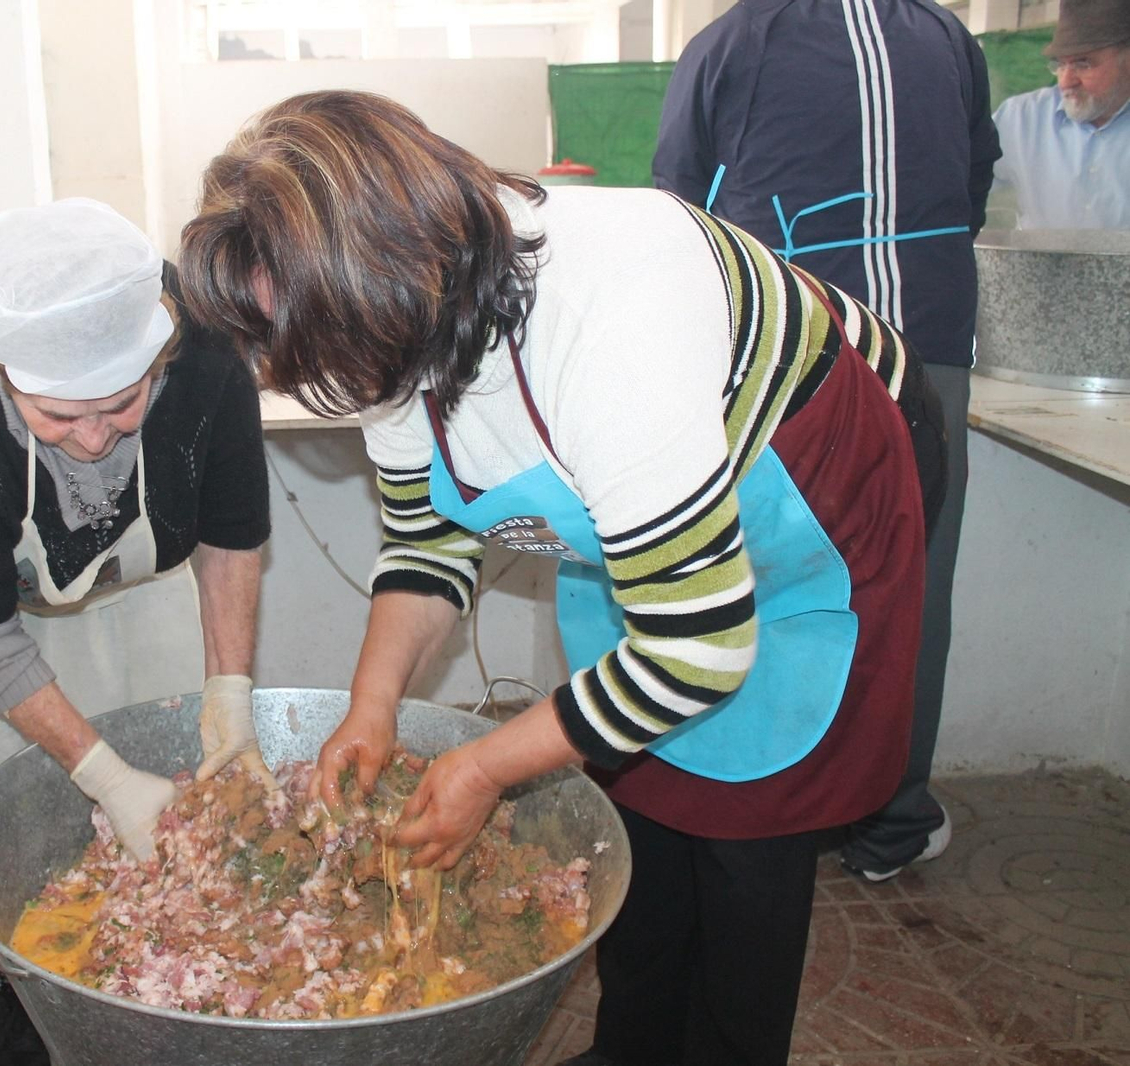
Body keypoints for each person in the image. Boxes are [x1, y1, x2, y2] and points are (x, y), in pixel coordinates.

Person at [179, 90, 945, 1066]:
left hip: (815, 490)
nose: (318, 383)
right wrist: (371, 708)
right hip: (659, 535)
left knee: (748, 833)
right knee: (640, 801)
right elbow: (427, 543)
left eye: (322, 356)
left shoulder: (613, 317)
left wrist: (481, 764)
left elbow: (698, 649)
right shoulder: (376, 315)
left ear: (403, 277)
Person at [0, 198, 272, 1065]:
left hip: (130, 578)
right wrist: (104, 777)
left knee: (165, 752)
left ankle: (175, 996)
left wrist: (230, 699)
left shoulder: (206, 359)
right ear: (5, 376)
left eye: (124, 405)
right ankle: (32, 1009)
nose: (93, 440)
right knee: (19, 808)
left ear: (160, 357)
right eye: (58, 418)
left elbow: (231, 539)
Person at [651, 0, 999, 886]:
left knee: (774, 580)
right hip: (927, 346)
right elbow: (973, 187)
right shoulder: (948, 37)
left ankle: (776, 819)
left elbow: (674, 216)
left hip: (796, 364)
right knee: (911, 585)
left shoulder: (733, 42)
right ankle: (890, 821)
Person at [991, 0, 1130, 229]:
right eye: (1060, 65)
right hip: (1034, 266)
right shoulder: (1020, 119)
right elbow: (954, 180)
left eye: (1083, 64)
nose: (1066, 81)